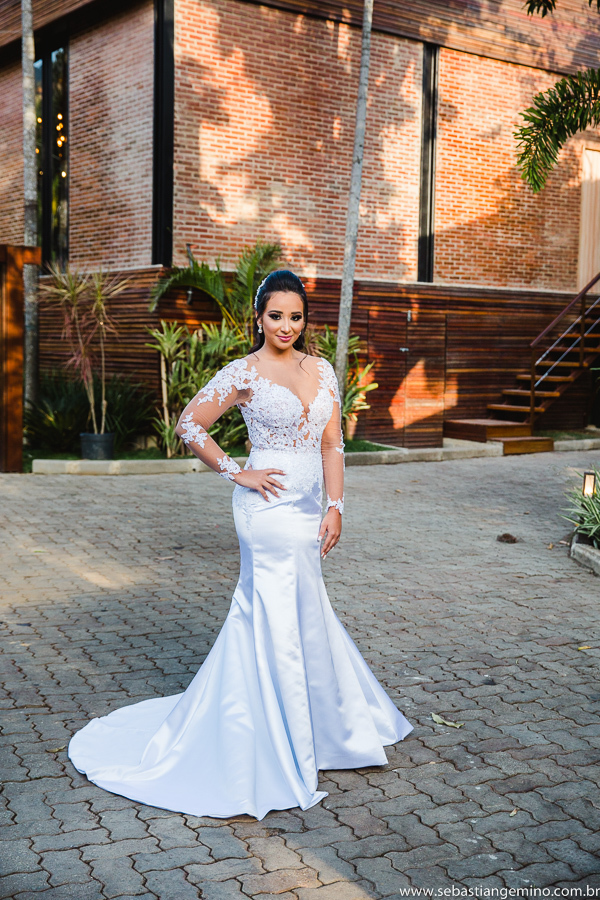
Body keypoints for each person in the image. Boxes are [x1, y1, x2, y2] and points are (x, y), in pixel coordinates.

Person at [68, 270, 413, 819]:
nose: (286, 326)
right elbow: (190, 424)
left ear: (305, 320)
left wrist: (336, 507)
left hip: (307, 510)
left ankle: (323, 723)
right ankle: (277, 739)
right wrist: (238, 472)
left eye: (295, 316)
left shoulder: (322, 369)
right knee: (272, 610)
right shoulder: (245, 372)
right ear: (258, 318)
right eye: (275, 315)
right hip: (265, 511)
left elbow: (332, 445)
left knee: (305, 609)